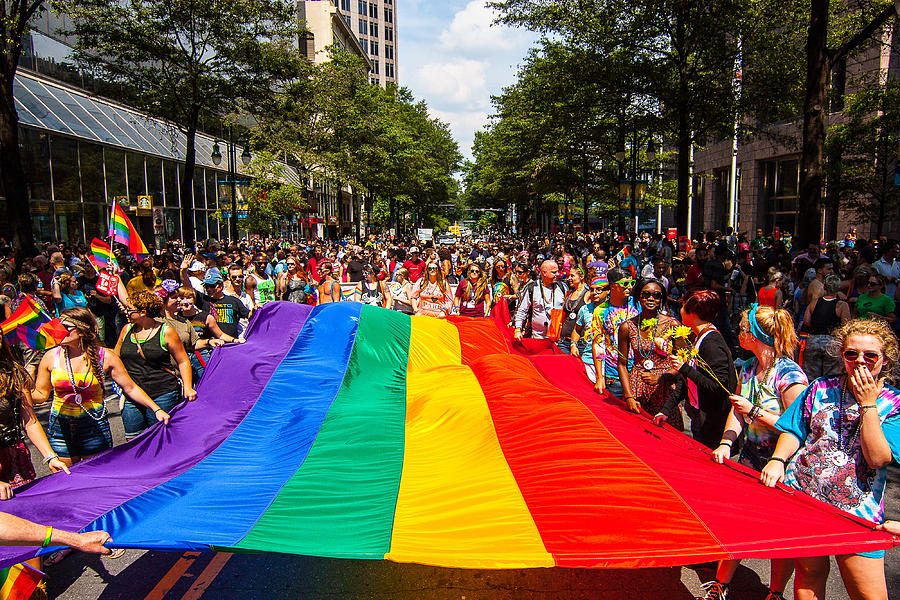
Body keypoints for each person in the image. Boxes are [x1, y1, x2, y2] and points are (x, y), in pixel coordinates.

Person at [762, 318, 900, 600]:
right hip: (805, 499)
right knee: (809, 578)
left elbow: (877, 458)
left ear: (886, 360)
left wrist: (868, 404)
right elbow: (794, 430)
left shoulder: (894, 403)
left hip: (857, 514)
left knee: (868, 595)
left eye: (870, 355)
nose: (860, 361)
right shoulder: (820, 387)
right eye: (852, 354)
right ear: (842, 355)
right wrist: (777, 459)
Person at [697, 303, 807, 600]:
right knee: (735, 524)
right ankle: (720, 586)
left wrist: (755, 411)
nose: (738, 332)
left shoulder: (790, 375)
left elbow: (798, 427)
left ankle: (775, 593)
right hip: (749, 460)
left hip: (781, 466)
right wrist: (726, 443)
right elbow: (737, 412)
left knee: (781, 535)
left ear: (756, 335)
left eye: (743, 329)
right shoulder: (747, 368)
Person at [32, 307, 170, 465]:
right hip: (60, 429)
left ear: (82, 331)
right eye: (58, 326)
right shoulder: (51, 357)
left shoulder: (105, 356)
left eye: (66, 327)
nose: (59, 331)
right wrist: (23, 392)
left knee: (95, 476)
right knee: (65, 479)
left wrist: (156, 409)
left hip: (94, 428)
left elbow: (130, 387)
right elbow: (41, 394)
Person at [654, 289, 736, 449]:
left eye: (683, 306)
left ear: (693, 312)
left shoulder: (711, 344)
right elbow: (689, 380)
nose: (681, 309)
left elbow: (717, 386)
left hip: (713, 422)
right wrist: (665, 410)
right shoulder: (700, 337)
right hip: (700, 415)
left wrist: (684, 368)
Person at [115, 291, 194, 440]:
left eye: (130, 310)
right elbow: (116, 356)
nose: (126, 313)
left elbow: (182, 360)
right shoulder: (126, 330)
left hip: (163, 393)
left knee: (159, 438)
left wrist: (188, 388)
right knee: (133, 440)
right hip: (133, 395)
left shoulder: (166, 332)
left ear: (143, 312)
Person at [617, 279, 679, 421]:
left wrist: (661, 377)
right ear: (639, 296)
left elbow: (683, 361)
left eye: (656, 295)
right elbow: (622, 364)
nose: (651, 299)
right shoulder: (627, 327)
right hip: (637, 387)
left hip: (664, 388)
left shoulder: (672, 325)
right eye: (646, 294)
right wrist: (629, 396)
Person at [591, 269, 638, 398]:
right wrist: (600, 377)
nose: (630, 287)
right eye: (625, 283)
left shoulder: (638, 305)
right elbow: (598, 344)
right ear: (612, 285)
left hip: (638, 374)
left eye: (632, 283)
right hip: (614, 376)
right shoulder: (600, 311)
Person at [802, 274, 851, 380]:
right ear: (838, 288)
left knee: (811, 377)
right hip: (832, 342)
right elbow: (846, 325)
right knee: (831, 378)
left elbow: (806, 321)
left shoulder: (814, 303)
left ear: (824, 287)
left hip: (813, 340)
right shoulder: (841, 305)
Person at [513, 260, 566, 341]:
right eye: (554, 272)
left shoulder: (562, 287)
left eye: (557, 272)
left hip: (558, 340)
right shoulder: (532, 288)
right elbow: (522, 310)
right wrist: (518, 329)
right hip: (537, 338)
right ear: (544, 273)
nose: (557, 275)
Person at [570, 276, 606, 383]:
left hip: (608, 364)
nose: (594, 293)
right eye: (592, 290)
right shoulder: (585, 309)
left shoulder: (613, 310)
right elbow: (577, 329)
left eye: (599, 289)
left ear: (608, 291)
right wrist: (573, 345)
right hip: (588, 361)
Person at [201, 270, 250, 340]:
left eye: (212, 286)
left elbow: (249, 315)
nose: (208, 289)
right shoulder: (204, 300)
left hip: (231, 343)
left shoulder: (233, 300)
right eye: (206, 286)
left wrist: (258, 308)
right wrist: (183, 270)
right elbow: (188, 290)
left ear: (221, 286)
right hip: (211, 345)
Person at [558, 266, 589, 354]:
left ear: (581, 276)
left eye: (572, 276)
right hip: (563, 341)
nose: (569, 278)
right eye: (569, 276)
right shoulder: (569, 293)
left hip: (580, 342)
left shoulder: (588, 294)